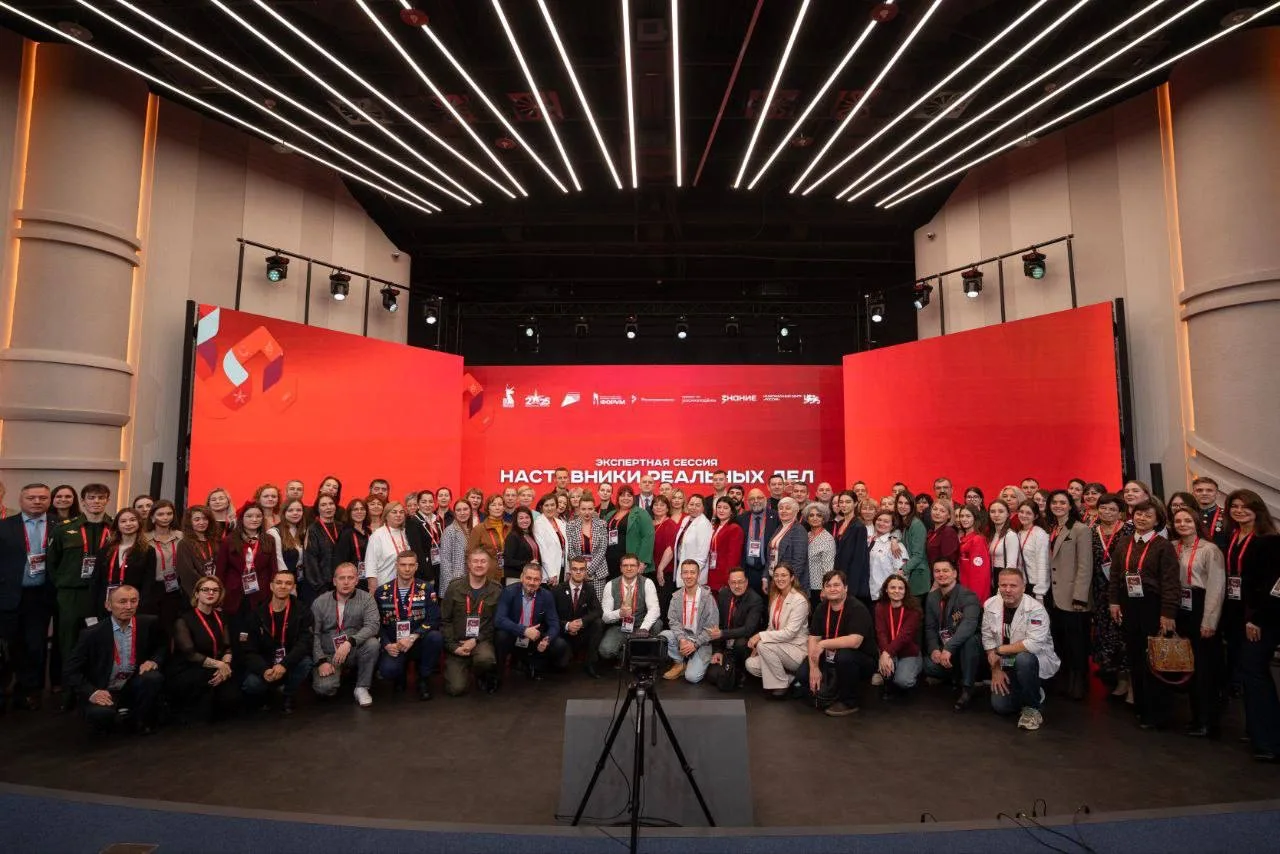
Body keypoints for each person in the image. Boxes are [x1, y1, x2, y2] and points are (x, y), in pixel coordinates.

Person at [1108, 499, 1180, 730]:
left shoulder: (1163, 546)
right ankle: (1141, 706)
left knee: (1154, 659)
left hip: (1153, 605)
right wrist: (1113, 602)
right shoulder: (1125, 542)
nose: (1142, 518)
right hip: (1128, 604)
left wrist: (1167, 613)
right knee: (1135, 657)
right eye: (1139, 514)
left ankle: (1157, 711)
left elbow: (1170, 582)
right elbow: (1115, 575)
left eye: (1148, 516)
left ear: (1157, 520)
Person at [64, 584, 165, 735]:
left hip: (132, 684)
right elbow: (71, 671)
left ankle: (138, 718)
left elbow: (161, 646)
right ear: (108, 605)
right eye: (122, 602)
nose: (129, 606)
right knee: (101, 716)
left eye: (133, 601)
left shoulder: (148, 624)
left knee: (152, 678)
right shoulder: (92, 634)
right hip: (103, 688)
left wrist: (154, 660)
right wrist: (92, 692)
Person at [47, 483, 113, 706]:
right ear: (83, 501)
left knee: (100, 643)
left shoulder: (115, 528)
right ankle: (69, 694)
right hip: (72, 595)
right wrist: (64, 585)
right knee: (69, 644)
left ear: (107, 500)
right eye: (91, 498)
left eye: (101, 498)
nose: (96, 502)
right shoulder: (64, 529)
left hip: (104, 596)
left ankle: (97, 691)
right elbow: (52, 563)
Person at [1229, 489, 1280, 761]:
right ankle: (1257, 732)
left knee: (1256, 672)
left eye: (1245, 506)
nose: (1239, 510)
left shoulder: (1269, 540)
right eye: (1234, 506)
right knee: (1248, 673)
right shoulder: (1234, 537)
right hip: (1239, 615)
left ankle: (1271, 742)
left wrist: (1257, 619)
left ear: (1257, 509)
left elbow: (1276, 586)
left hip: (1262, 618)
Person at [1169, 507, 1225, 737]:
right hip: (1181, 609)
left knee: (1204, 668)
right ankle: (1196, 717)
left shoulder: (1210, 550)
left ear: (1196, 523)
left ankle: (1208, 721)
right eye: (1178, 521)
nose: (1182, 524)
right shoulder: (1172, 547)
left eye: (1187, 521)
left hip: (1201, 608)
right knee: (1189, 667)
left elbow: (1216, 588)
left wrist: (1209, 621)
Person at [983, 567, 1060, 731]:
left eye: (1013, 585)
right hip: (1006, 661)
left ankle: (1032, 709)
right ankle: (1030, 691)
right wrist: (996, 670)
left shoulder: (1036, 610)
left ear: (1023, 587)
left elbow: (1033, 645)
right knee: (1001, 707)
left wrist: (1000, 650)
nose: (1008, 590)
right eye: (1003, 585)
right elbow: (988, 639)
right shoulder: (990, 605)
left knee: (1024, 659)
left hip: (1033, 662)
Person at [0, 484, 54, 711]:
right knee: (7, 646)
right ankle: (3, 690)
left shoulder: (60, 526)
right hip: (8, 595)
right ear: (21, 500)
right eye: (31, 498)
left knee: (35, 646)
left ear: (49, 500)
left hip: (41, 596)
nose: (37, 501)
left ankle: (29, 691)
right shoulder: (4, 526)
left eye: (42, 497)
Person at [796, 570, 877, 716]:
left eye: (836, 585)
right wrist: (814, 667)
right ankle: (831, 692)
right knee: (802, 673)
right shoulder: (821, 608)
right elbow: (813, 638)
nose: (832, 589)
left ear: (845, 588)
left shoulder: (857, 608)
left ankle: (849, 701)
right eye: (828, 586)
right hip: (830, 656)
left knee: (844, 656)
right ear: (823, 589)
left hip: (861, 660)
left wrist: (823, 644)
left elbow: (855, 641)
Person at [168, 575, 241, 721]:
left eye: (215, 590)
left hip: (215, 667)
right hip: (189, 668)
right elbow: (190, 654)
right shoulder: (184, 619)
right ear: (196, 594)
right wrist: (219, 665)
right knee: (206, 710)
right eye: (205, 589)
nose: (210, 593)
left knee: (233, 699)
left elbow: (227, 647)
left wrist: (225, 665)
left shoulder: (222, 616)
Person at [241, 569, 314, 714]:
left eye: (288, 583)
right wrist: (263, 670)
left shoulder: (303, 611)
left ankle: (288, 694)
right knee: (251, 684)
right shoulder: (256, 614)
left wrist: (284, 664)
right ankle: (267, 692)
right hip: (266, 662)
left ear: (293, 587)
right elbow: (248, 649)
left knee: (306, 663)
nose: (283, 586)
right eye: (279, 582)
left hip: (289, 661)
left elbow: (304, 642)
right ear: (271, 586)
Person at [374, 551, 444, 701]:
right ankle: (400, 675)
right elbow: (376, 623)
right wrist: (386, 644)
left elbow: (434, 619)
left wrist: (413, 637)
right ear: (396, 566)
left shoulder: (426, 589)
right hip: (395, 644)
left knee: (436, 637)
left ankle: (423, 678)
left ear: (416, 566)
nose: (407, 569)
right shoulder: (381, 592)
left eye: (411, 565)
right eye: (403, 565)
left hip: (418, 641)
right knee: (388, 671)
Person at [311, 562, 380, 707]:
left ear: (357, 580)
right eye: (342, 578)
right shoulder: (320, 602)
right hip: (329, 653)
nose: (346, 582)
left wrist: (349, 642)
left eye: (350, 578)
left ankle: (362, 687)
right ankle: (339, 674)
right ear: (334, 581)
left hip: (354, 649)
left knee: (372, 644)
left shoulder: (367, 599)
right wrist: (321, 661)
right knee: (324, 688)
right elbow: (313, 634)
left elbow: (372, 625)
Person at [1046, 490, 1094, 700]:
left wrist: (1080, 596)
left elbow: (1085, 565)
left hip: (1073, 596)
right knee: (1062, 642)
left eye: (1062, 502)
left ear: (1070, 506)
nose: (1058, 505)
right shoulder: (1052, 528)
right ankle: (1065, 681)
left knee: (1077, 643)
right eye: (1054, 502)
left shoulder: (1080, 529)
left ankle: (1079, 683)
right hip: (1054, 595)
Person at [922, 558, 983, 711]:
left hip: (966, 648)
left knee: (971, 640)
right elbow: (930, 627)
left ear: (955, 573)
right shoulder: (932, 597)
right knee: (928, 665)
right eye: (937, 571)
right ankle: (955, 676)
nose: (941, 574)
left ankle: (968, 687)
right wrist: (934, 649)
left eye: (945, 570)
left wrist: (949, 648)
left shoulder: (968, 595)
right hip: (945, 649)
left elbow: (969, 625)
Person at [441, 548, 503, 696]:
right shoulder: (454, 587)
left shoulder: (496, 590)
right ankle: (461, 669)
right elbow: (445, 620)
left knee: (486, 660)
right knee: (456, 689)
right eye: (475, 561)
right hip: (457, 643)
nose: (479, 565)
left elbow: (495, 622)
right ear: (468, 564)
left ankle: (481, 673)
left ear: (489, 564)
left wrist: (476, 640)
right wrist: (453, 647)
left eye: (483, 561)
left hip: (481, 641)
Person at [744, 562, 810, 698]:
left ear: (792, 578)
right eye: (776, 575)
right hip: (778, 648)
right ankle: (790, 679)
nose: (780, 579)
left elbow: (790, 633)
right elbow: (771, 627)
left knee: (763, 646)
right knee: (750, 664)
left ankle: (781, 685)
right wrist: (761, 640)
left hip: (796, 651)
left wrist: (760, 637)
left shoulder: (799, 600)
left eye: (784, 575)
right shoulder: (776, 598)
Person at [496, 562, 563, 682]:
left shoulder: (547, 596)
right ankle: (498, 672)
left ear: (541, 581)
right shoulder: (509, 592)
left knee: (559, 644)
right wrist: (524, 630)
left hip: (534, 637)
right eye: (528, 578)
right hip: (514, 634)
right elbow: (499, 619)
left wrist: (547, 639)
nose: (532, 582)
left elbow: (554, 624)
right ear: (521, 577)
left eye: (536, 579)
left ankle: (535, 664)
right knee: (501, 636)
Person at [660, 559, 719, 683]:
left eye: (692, 572)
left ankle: (694, 661)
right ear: (681, 575)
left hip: (701, 641)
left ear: (698, 575)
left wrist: (695, 644)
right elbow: (673, 621)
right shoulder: (676, 597)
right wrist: (682, 639)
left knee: (692, 678)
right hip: (683, 637)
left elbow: (711, 627)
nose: (689, 576)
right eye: (685, 572)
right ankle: (680, 662)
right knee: (664, 635)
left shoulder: (707, 598)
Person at [215, 505, 275, 628]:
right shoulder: (228, 541)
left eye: (258, 516)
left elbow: (273, 568)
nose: (254, 519)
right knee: (236, 630)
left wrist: (273, 594)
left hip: (261, 594)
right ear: (241, 518)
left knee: (257, 631)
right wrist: (218, 595)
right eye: (249, 516)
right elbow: (220, 571)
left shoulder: (269, 540)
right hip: (233, 594)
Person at [705, 567, 763, 690]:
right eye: (733, 582)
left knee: (740, 643)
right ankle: (730, 669)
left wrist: (722, 634)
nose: (737, 586)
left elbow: (748, 629)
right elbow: (718, 624)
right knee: (711, 675)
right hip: (726, 644)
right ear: (728, 583)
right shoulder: (723, 594)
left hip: (745, 644)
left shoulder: (755, 600)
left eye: (740, 582)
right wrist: (718, 650)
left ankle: (742, 672)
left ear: (746, 582)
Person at [92, 509, 155, 618]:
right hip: (107, 605)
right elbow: (96, 580)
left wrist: (140, 606)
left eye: (132, 520)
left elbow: (148, 583)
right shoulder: (105, 550)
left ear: (139, 523)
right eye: (123, 521)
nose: (128, 524)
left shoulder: (148, 551)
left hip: (133, 606)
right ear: (117, 525)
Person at [599, 554, 662, 663]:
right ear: (620, 568)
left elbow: (654, 610)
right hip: (619, 626)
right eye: (625, 565)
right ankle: (631, 653)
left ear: (638, 568)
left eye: (632, 565)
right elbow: (605, 617)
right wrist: (619, 613)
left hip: (641, 624)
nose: (629, 568)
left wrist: (644, 628)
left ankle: (639, 652)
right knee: (606, 651)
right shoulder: (610, 585)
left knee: (657, 624)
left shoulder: (647, 582)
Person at [553, 557, 603, 678]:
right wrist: (567, 625)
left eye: (582, 569)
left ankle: (590, 663)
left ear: (586, 571)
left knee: (598, 623)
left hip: (581, 632)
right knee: (561, 665)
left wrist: (582, 622)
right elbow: (551, 617)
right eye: (575, 569)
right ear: (570, 570)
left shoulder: (589, 589)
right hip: (563, 633)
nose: (578, 572)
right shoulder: (557, 590)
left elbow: (598, 611)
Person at [874, 574, 922, 697]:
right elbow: (881, 633)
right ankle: (888, 678)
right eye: (892, 587)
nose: (896, 591)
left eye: (900, 588)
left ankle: (914, 672)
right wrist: (885, 653)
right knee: (887, 671)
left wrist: (885, 654)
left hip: (908, 651)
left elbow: (904, 636)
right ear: (886, 589)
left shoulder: (913, 610)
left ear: (905, 591)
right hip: (888, 649)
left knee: (903, 681)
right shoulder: (880, 607)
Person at [144, 500, 184, 631]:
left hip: (175, 587)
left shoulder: (181, 536)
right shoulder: (143, 539)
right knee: (152, 627)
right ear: (152, 517)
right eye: (160, 514)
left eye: (169, 513)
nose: (166, 517)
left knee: (170, 627)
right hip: (152, 587)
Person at [830, 491, 871, 611]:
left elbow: (859, 559)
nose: (844, 505)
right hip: (840, 574)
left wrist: (851, 587)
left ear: (855, 503)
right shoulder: (841, 523)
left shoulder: (859, 526)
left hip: (852, 580)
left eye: (848, 502)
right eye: (841, 502)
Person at [301, 494, 341, 605]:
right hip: (322, 586)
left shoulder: (342, 527)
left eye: (331, 504)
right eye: (323, 505)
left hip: (342, 582)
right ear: (318, 509)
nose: (328, 507)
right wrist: (321, 587)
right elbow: (310, 561)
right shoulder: (313, 529)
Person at [566, 495, 608, 600]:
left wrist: (588, 570)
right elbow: (570, 550)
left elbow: (602, 549)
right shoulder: (571, 525)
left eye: (590, 509)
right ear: (579, 509)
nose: (587, 512)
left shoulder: (602, 524)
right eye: (583, 509)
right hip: (577, 572)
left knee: (597, 603)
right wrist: (581, 569)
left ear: (594, 509)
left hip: (598, 572)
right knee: (579, 603)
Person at [738, 488, 780, 595]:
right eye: (752, 499)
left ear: (765, 499)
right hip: (748, 571)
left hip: (768, 570)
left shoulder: (776, 517)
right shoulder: (741, 519)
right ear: (747, 502)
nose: (756, 501)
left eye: (759, 498)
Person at [364, 501, 410, 593]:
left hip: (405, 585)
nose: (398, 515)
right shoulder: (377, 535)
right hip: (384, 586)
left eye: (401, 512)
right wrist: (373, 589)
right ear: (386, 516)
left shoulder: (406, 533)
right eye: (394, 512)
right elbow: (370, 565)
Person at [175, 505, 217, 600]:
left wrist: (216, 586)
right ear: (189, 522)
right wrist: (205, 587)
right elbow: (187, 572)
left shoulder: (215, 541)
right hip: (197, 592)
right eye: (197, 519)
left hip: (216, 589)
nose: (201, 522)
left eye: (205, 519)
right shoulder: (184, 543)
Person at [467, 495, 510, 584]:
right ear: (488, 508)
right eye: (493, 505)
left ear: (504, 508)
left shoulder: (510, 528)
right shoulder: (479, 529)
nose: (497, 508)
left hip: (509, 574)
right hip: (487, 576)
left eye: (500, 504)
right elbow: (470, 554)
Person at [894, 491, 929, 599]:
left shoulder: (916, 524)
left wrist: (902, 571)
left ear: (912, 506)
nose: (903, 506)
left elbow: (918, 555)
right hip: (908, 574)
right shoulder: (902, 522)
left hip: (917, 577)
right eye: (900, 503)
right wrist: (893, 540)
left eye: (907, 503)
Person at [769, 497, 809, 592]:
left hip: (789, 584)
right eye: (781, 508)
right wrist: (766, 577)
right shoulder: (779, 528)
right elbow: (771, 553)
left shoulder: (799, 530)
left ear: (795, 511)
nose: (783, 511)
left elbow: (799, 562)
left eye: (787, 508)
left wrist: (790, 583)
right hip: (776, 579)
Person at [406, 489, 445, 585]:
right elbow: (417, 551)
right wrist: (428, 576)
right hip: (425, 570)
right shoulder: (413, 522)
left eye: (430, 501)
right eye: (424, 502)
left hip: (439, 565)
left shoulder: (438, 519)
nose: (428, 505)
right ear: (418, 504)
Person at [674, 494, 713, 589]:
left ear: (703, 508)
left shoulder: (704, 524)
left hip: (694, 576)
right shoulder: (686, 519)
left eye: (697, 505)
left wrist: (691, 574)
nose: (693, 507)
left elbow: (702, 556)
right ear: (687, 505)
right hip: (683, 568)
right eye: (691, 504)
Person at [867, 511, 908, 601]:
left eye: (886, 521)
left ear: (892, 526)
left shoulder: (896, 546)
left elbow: (901, 574)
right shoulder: (869, 540)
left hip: (885, 595)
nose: (881, 523)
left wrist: (894, 593)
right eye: (879, 520)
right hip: (867, 592)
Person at [1015, 501, 1051, 600]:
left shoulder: (1040, 534)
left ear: (1035, 516)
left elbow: (1043, 564)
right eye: (1021, 512)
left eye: (1028, 513)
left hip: (1035, 586)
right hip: (1022, 584)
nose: (1024, 515)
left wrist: (1040, 593)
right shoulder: (1019, 533)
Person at [707, 497, 745, 593]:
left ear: (731, 511)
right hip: (712, 572)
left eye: (725, 508)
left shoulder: (735, 528)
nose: (721, 510)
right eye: (719, 507)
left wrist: (727, 579)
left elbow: (733, 557)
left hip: (724, 576)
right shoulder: (715, 527)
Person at [438, 500, 473, 596]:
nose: (462, 513)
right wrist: (452, 586)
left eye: (465, 509)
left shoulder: (473, 530)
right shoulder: (449, 531)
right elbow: (445, 562)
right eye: (458, 510)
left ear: (470, 511)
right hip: (455, 582)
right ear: (455, 513)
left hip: (470, 580)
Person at [532, 493, 568, 586]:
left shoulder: (561, 523)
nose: (550, 508)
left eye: (552, 505)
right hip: (549, 572)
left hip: (562, 567)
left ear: (556, 506)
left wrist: (568, 569)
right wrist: (552, 573)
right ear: (541, 507)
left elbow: (565, 547)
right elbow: (543, 551)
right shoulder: (538, 524)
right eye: (546, 505)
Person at [804, 502, 835, 608]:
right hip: (806, 585)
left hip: (818, 587)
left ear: (823, 518)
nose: (815, 518)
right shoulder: (807, 535)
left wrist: (825, 588)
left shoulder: (827, 538)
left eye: (819, 515)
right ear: (807, 518)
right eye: (811, 515)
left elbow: (828, 567)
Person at [266, 499, 306, 581]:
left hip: (300, 579)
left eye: (299, 510)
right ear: (284, 512)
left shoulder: (302, 531)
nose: (295, 513)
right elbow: (279, 562)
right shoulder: (274, 532)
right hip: (284, 581)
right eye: (290, 510)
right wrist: (287, 580)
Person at [502, 507, 541, 586]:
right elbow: (507, 560)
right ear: (516, 520)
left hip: (529, 577)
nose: (524, 520)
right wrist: (528, 564)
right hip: (516, 578)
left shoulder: (529, 534)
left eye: (527, 517)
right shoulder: (513, 536)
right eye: (521, 518)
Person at [334, 498, 370, 576]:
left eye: (362, 509)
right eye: (355, 509)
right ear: (349, 513)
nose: (359, 512)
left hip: (369, 574)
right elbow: (341, 560)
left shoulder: (368, 531)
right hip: (351, 576)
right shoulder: (346, 533)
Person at [1191, 476, 1227, 546]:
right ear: (1193, 494)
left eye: (1209, 490)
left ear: (1217, 494)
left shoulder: (1227, 515)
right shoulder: (1188, 514)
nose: (1204, 493)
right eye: (1199, 490)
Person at [987, 500, 1021, 575]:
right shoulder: (993, 534)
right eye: (992, 512)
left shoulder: (1011, 535)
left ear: (1008, 514)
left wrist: (1005, 580)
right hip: (993, 574)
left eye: (1001, 511)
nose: (996, 515)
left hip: (1004, 574)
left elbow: (1011, 565)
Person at [925, 499, 960, 567]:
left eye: (942, 511)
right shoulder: (931, 532)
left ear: (949, 515)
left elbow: (948, 560)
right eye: (935, 509)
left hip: (942, 571)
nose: (937, 513)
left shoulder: (948, 532)